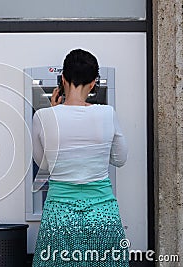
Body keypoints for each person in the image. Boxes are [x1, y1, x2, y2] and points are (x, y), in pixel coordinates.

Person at [31, 49, 129, 266]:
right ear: (94, 83)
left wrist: (54, 115)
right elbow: (120, 158)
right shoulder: (107, 113)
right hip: (102, 211)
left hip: (59, 212)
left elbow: (44, 164)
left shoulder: (44, 116)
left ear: (63, 79)